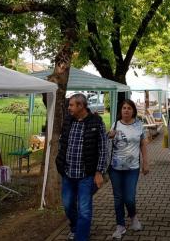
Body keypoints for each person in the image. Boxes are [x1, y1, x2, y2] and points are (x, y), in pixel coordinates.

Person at [56, 93, 107, 241]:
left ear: (81, 106)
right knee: (67, 205)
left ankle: (81, 236)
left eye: (71, 105)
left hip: (86, 175)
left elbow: (103, 149)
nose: (69, 108)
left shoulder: (96, 122)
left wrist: (99, 172)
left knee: (84, 210)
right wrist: (60, 163)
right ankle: (74, 227)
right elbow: (62, 143)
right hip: (68, 173)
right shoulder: (68, 121)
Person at [107, 100, 149, 239]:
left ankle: (133, 217)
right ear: (121, 110)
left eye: (129, 108)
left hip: (132, 168)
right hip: (115, 168)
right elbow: (108, 142)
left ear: (133, 111)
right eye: (124, 108)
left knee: (129, 198)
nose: (126, 110)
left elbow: (143, 145)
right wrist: (110, 136)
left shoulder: (139, 125)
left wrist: (145, 163)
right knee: (118, 198)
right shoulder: (116, 124)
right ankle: (120, 226)